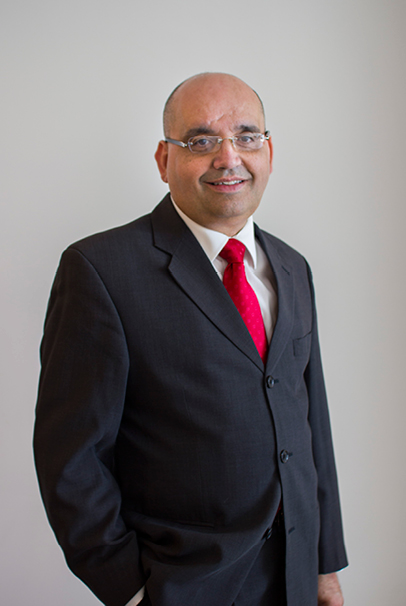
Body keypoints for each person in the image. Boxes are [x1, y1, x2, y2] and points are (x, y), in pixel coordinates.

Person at [34, 73, 348, 606]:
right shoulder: (100, 270)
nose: (229, 157)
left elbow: (312, 424)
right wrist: (130, 590)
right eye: (201, 141)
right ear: (164, 160)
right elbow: (71, 456)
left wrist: (323, 565)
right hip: (182, 585)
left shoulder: (293, 268)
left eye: (247, 136)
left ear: (269, 151)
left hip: (295, 579)